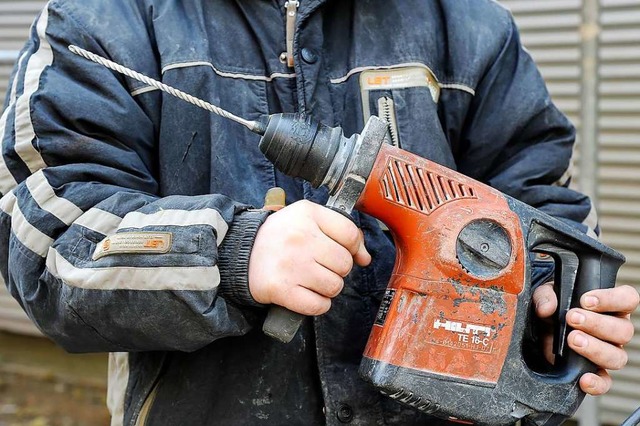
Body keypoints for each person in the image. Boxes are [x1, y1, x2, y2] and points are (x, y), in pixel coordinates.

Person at [0, 0, 638, 425]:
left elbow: (543, 207)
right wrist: (230, 255)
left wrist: (560, 310)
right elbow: (46, 241)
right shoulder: (103, 21)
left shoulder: (463, 25)